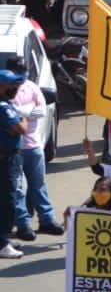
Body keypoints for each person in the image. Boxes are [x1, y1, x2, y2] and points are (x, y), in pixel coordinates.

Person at [6, 60, 58, 237]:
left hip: (34, 145)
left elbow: (42, 110)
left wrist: (21, 111)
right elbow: (7, 112)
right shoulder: (6, 88)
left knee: (38, 185)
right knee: (19, 188)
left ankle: (47, 220)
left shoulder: (31, 86)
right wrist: (27, 110)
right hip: (14, 148)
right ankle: (23, 224)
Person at [0, 69, 27, 258]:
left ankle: (3, 240)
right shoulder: (4, 107)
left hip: (8, 157)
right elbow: (20, 128)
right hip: (6, 159)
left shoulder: (6, 104)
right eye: (12, 85)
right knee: (8, 200)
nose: (16, 88)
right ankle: (3, 243)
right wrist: (23, 119)